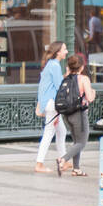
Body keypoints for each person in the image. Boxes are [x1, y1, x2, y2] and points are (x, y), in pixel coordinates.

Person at [57, 53, 96, 177]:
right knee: (82, 142)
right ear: (82, 67)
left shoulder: (65, 77)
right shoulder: (84, 79)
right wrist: (94, 92)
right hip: (79, 114)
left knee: (76, 141)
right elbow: (90, 98)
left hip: (67, 114)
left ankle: (76, 169)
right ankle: (63, 159)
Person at [34, 41, 68, 173]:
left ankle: (63, 160)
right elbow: (60, 86)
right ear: (58, 52)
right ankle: (39, 164)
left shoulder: (52, 65)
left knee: (61, 131)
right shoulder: (54, 65)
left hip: (49, 103)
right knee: (49, 133)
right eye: (64, 49)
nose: (66, 51)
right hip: (52, 104)